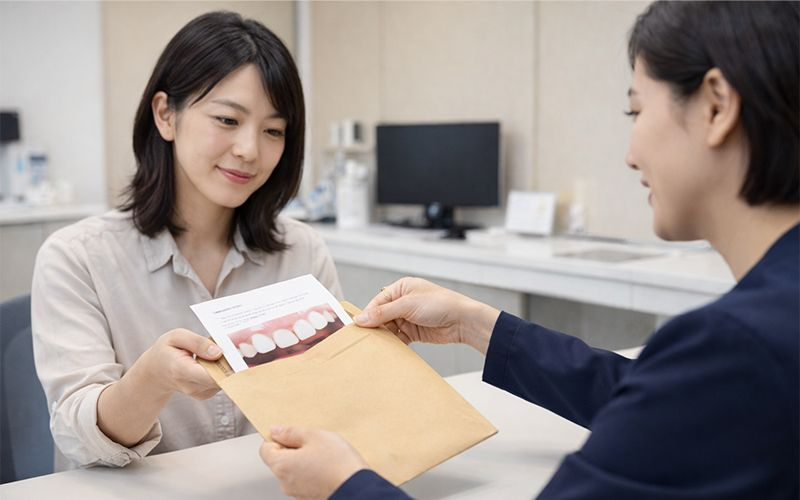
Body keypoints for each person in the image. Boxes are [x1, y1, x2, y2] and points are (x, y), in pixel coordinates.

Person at [259, 1, 799, 498]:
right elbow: (671, 403)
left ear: (716, 106)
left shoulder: (737, 347)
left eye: (636, 113)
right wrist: (476, 324)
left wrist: (346, 485)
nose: (631, 155)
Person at [31, 11, 342, 470]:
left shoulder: (303, 252)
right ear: (165, 115)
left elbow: (333, 401)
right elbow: (78, 437)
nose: (250, 150)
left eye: (273, 130)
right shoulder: (77, 258)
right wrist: (152, 380)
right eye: (227, 119)